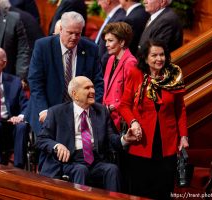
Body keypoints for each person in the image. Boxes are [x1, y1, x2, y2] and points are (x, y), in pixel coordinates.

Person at [36, 76, 140, 192]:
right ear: (74, 94)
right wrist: (57, 146)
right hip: (70, 160)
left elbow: (111, 138)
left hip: (95, 159)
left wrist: (125, 139)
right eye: (87, 88)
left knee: (112, 169)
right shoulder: (57, 112)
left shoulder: (101, 111)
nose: (93, 91)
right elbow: (41, 139)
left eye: (93, 87)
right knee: (81, 170)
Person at [118, 39, 189, 199]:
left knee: (163, 190)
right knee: (139, 190)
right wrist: (133, 122)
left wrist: (183, 136)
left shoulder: (174, 75)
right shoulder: (136, 74)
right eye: (154, 55)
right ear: (145, 58)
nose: (159, 59)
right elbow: (124, 105)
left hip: (167, 144)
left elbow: (180, 109)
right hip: (141, 143)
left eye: (162, 54)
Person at [27, 11, 104, 135]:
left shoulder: (91, 49)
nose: (74, 37)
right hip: (49, 111)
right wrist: (43, 110)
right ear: (61, 29)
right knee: (51, 151)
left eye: (78, 33)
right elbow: (35, 82)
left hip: (80, 114)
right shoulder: (43, 46)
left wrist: (94, 108)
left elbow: (98, 82)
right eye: (70, 33)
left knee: (81, 152)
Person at [102, 22, 136, 132]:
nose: (106, 44)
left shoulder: (131, 63)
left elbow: (131, 96)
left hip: (121, 120)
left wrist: (112, 107)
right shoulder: (111, 59)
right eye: (106, 40)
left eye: (110, 40)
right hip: (108, 117)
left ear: (122, 42)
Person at [96, 0, 126, 73]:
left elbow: (114, 47)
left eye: (99, 0)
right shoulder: (113, 16)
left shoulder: (120, 17)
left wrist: (99, 67)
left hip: (104, 68)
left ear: (108, 1)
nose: (98, 4)